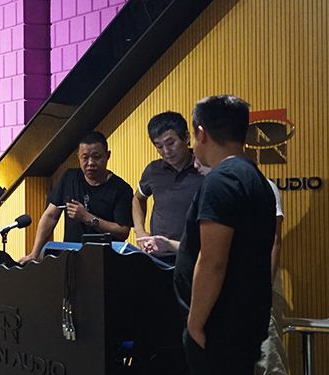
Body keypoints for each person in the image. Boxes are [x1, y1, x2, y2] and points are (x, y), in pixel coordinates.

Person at [173, 95, 276, 375]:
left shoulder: (222, 180)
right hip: (242, 319)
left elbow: (213, 261)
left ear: (201, 132)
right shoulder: (254, 177)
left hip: (219, 326)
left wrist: (195, 323)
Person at [21, 131, 133, 263]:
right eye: (85, 158)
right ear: (78, 157)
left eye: (96, 157)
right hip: (71, 257)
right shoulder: (69, 178)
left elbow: (123, 231)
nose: (90, 163)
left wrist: (87, 217)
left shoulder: (121, 189)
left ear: (108, 155)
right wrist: (34, 253)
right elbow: (50, 216)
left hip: (106, 259)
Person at [132, 112, 204, 259]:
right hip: (159, 256)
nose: (166, 151)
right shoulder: (153, 170)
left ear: (186, 137)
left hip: (196, 254)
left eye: (171, 143)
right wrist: (139, 231)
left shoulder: (205, 167)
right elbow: (138, 199)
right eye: (159, 146)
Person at [256, 179, 298, 375]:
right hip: (232, 294)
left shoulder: (264, 186)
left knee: (271, 369)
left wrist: (264, 290)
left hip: (262, 291)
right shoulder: (213, 184)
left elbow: (274, 240)